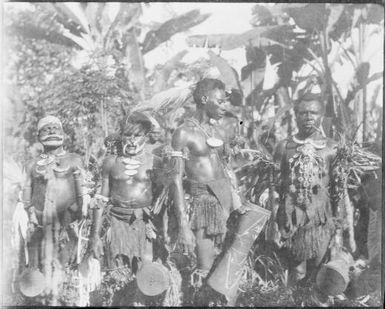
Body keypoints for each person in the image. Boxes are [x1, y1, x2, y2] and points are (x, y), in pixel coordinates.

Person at [168, 78, 243, 287]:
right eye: (220, 102)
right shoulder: (183, 133)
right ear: (204, 99)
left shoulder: (217, 131)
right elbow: (175, 179)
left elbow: (227, 169)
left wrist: (237, 201)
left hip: (226, 203)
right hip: (203, 204)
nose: (224, 107)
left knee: (226, 269)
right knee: (206, 271)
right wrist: (183, 224)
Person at [274, 92, 345, 301]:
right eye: (303, 113)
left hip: (322, 219)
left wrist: (338, 228)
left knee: (319, 271)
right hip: (292, 218)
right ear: (295, 115)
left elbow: (338, 190)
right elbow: (274, 186)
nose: (308, 117)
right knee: (297, 272)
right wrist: (274, 222)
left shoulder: (332, 147)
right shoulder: (284, 146)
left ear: (321, 115)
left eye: (313, 112)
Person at [90, 112, 163, 279]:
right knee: (117, 276)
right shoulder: (110, 162)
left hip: (144, 223)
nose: (132, 140)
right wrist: (94, 236)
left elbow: (162, 197)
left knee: (146, 275)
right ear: (121, 136)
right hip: (116, 222)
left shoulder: (155, 162)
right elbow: (101, 199)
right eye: (127, 135)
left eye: (137, 135)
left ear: (146, 136)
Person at [21, 115, 86, 304]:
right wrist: (31, 215)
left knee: (65, 267)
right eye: (46, 128)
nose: (51, 131)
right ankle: (42, 298)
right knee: (39, 268)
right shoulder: (32, 164)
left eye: (55, 127)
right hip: (40, 225)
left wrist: (78, 216)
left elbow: (82, 193)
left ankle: (65, 298)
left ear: (63, 133)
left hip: (67, 225)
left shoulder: (74, 160)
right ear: (38, 135)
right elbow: (27, 192)